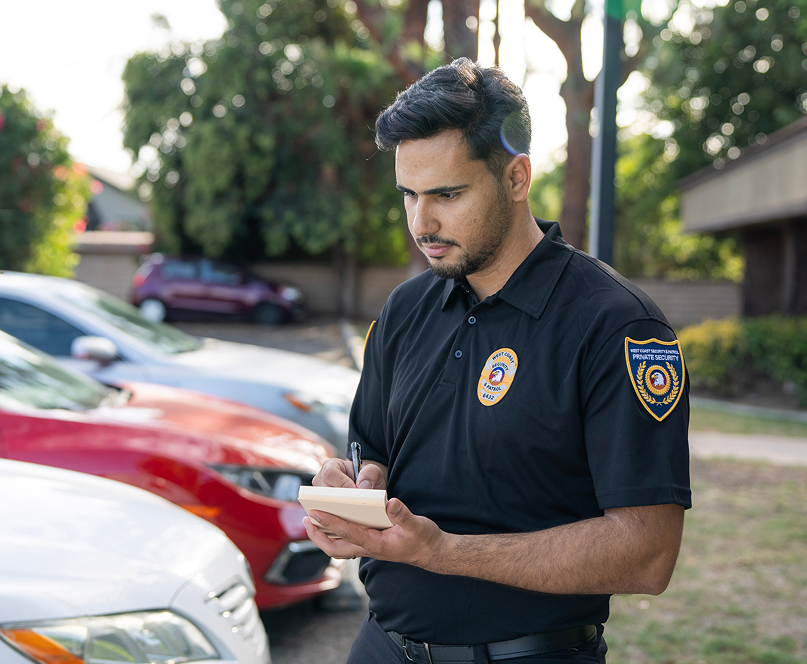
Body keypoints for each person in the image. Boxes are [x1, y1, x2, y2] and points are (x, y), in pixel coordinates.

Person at [304, 57, 690, 664]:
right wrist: (353, 487)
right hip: (382, 644)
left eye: (446, 194)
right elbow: (372, 449)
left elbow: (648, 554)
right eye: (408, 194)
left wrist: (442, 552)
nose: (421, 223)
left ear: (516, 177)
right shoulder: (405, 308)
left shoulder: (618, 326)